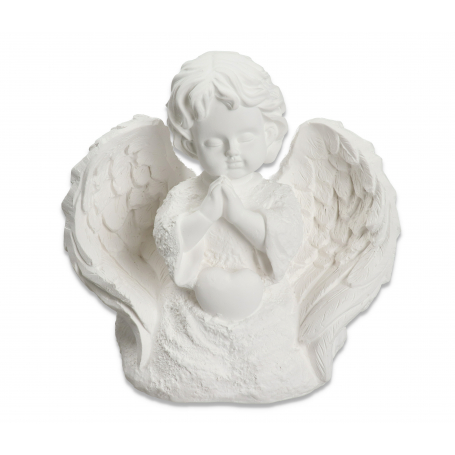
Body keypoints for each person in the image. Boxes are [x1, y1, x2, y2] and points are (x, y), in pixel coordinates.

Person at [154, 51, 303, 319]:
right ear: (191, 144)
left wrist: (239, 216)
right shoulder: (184, 195)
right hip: (193, 314)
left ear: (268, 133)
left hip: (266, 313)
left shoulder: (276, 196)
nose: (232, 150)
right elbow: (169, 239)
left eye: (246, 138)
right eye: (213, 142)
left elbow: (285, 238)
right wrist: (205, 215)